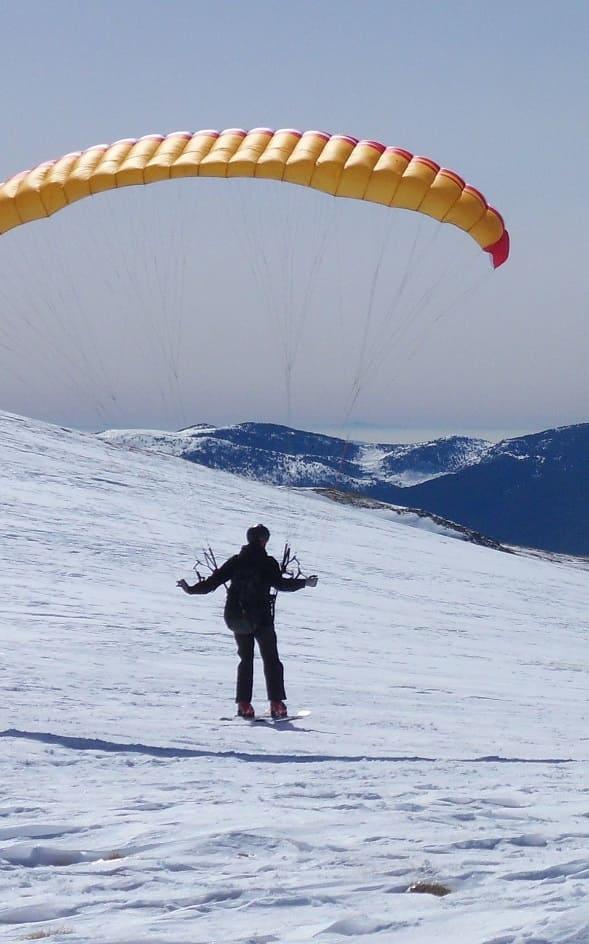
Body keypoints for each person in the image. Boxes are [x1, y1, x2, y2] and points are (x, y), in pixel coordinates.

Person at [177, 524, 318, 719]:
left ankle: (244, 705)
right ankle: (276, 703)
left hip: (235, 618)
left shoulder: (236, 561)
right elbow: (281, 584)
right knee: (271, 660)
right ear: (263, 540)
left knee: (246, 660)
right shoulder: (268, 562)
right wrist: (305, 583)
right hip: (260, 619)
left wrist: (190, 589)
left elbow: (212, 583)